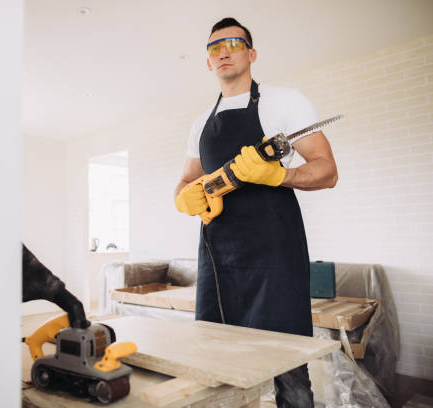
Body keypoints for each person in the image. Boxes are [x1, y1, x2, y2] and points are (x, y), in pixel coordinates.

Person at [174, 18, 338, 408]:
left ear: (251, 53)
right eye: (215, 47)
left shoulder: (286, 101)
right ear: (208, 62)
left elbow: (327, 171)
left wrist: (279, 174)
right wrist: (185, 197)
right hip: (218, 256)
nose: (224, 51)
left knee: (288, 365)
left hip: (274, 255)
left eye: (233, 43)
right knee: (214, 363)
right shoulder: (200, 123)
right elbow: (186, 180)